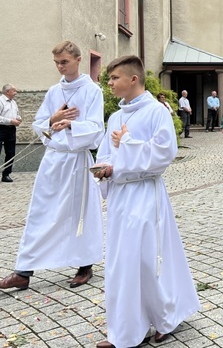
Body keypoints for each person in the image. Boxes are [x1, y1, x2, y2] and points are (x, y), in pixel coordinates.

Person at [92, 55, 200, 348]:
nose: (110, 83)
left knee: (146, 259)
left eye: (114, 78)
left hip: (144, 194)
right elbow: (104, 152)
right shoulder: (116, 116)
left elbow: (165, 153)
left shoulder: (156, 112)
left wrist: (127, 145)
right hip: (120, 196)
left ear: (133, 79)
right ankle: (127, 330)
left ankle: (165, 318)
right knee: (120, 261)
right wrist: (103, 168)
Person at [0, 41, 104, 291]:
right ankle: (23, 271)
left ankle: (85, 264)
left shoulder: (92, 91)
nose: (60, 66)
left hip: (76, 160)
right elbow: (39, 125)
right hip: (52, 160)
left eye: (64, 61)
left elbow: (97, 129)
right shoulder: (53, 92)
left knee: (79, 213)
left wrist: (71, 125)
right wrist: (53, 119)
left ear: (78, 60)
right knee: (40, 213)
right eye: (57, 62)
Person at [0, 84, 21, 183]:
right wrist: (10, 121)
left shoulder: (14, 102)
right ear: (7, 92)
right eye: (14, 91)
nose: (16, 93)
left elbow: (16, 114)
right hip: (1, 129)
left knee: (10, 152)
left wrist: (18, 118)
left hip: (11, 130)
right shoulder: (0, 101)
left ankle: (6, 174)